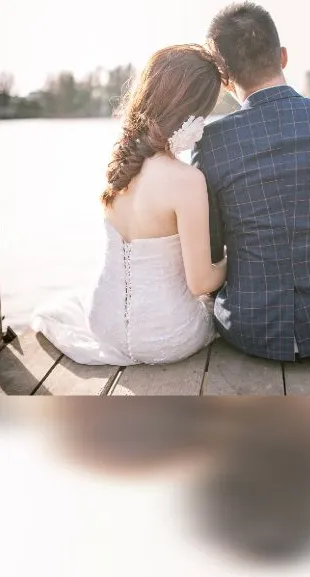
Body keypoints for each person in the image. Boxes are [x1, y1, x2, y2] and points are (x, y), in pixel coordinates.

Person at [192, 2, 310, 362]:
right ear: (283, 56)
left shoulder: (210, 143)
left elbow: (213, 249)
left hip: (250, 330)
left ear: (225, 78)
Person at [31, 46, 226, 365]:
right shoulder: (187, 180)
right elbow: (200, 282)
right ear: (190, 113)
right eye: (204, 112)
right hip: (168, 335)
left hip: (103, 323)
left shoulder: (122, 165)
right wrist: (231, 261)